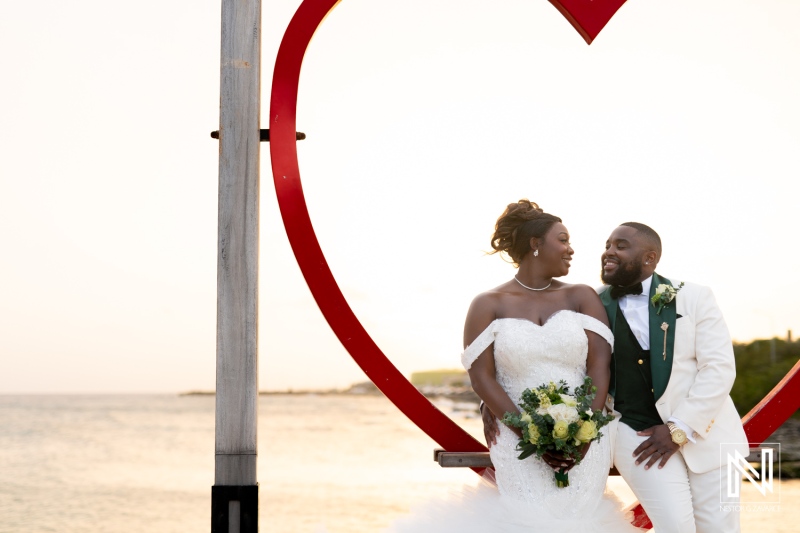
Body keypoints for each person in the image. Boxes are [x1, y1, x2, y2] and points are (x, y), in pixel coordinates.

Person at [388, 200, 640, 532]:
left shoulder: (582, 297)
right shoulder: (487, 304)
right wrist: (530, 434)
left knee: (581, 517)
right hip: (515, 434)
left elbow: (599, 367)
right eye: (562, 240)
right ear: (536, 245)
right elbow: (481, 377)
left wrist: (584, 433)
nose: (571, 249)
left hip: (586, 436)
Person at [483, 222, 749, 533]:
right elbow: (556, 359)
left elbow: (718, 369)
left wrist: (679, 428)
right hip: (635, 438)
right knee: (676, 528)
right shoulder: (590, 303)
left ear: (650, 258)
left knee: (723, 529)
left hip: (711, 435)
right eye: (608, 244)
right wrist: (494, 399)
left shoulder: (695, 297)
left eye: (621, 246)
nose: (609, 252)